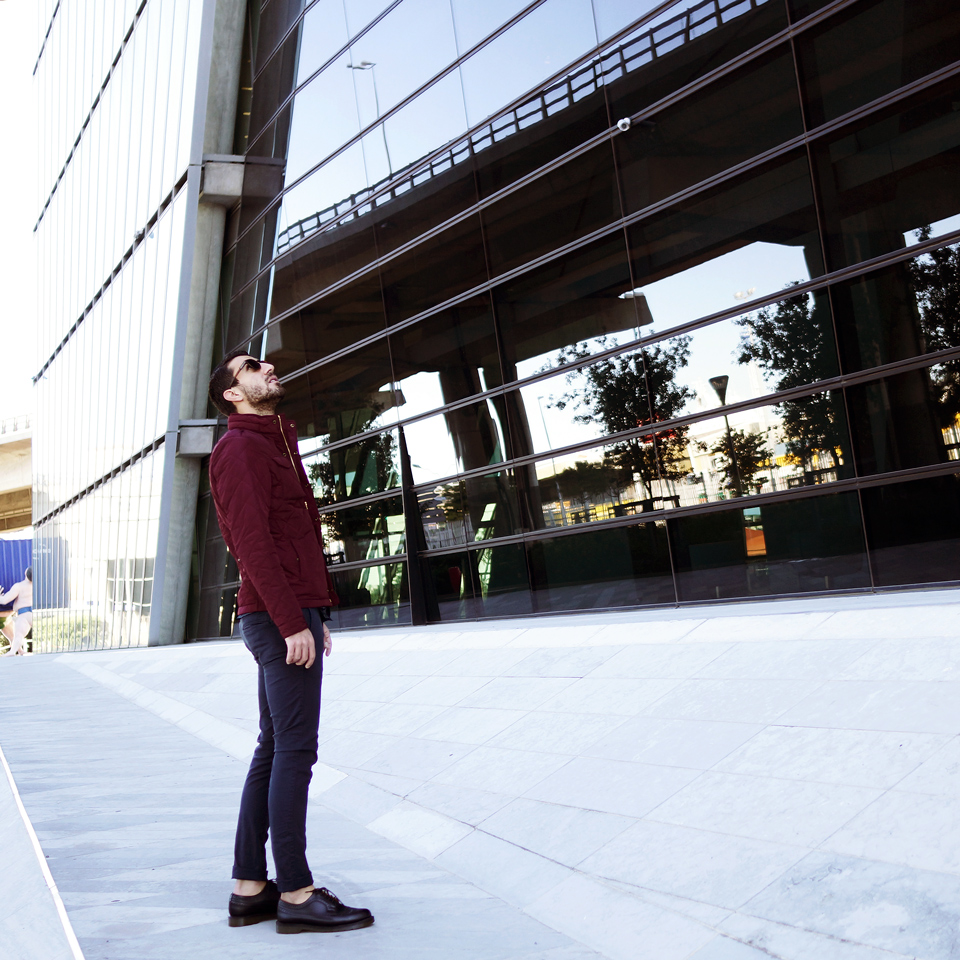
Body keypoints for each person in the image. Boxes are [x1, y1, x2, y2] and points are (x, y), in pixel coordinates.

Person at [207, 349, 374, 935]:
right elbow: (252, 545)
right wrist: (291, 621)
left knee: (274, 746)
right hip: (277, 616)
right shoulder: (241, 448)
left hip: (291, 611)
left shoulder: (273, 440)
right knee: (295, 751)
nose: (268, 367)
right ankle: (297, 895)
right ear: (233, 393)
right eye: (252, 367)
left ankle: (250, 887)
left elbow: (294, 539)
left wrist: (316, 612)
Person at [0, 567, 32, 656]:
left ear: (25, 573)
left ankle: (12, 652)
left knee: (18, 635)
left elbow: (4, 600)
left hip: (24, 614)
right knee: (15, 636)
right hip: (33, 613)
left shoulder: (19, 586)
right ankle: (20, 651)